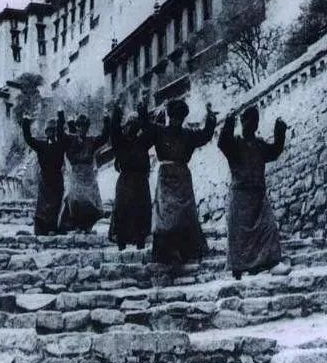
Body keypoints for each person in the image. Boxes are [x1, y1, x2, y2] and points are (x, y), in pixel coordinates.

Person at [141, 99, 217, 265]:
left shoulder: (188, 134)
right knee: (165, 215)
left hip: (182, 177)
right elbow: (146, 127)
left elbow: (205, 136)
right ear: (170, 117)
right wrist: (142, 111)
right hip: (166, 178)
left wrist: (211, 119)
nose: (177, 122)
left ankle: (186, 251)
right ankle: (166, 253)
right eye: (175, 118)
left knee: (184, 213)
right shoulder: (159, 131)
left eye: (180, 119)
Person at [218, 106, 287, 280]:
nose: (252, 125)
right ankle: (238, 270)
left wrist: (280, 131)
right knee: (239, 235)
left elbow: (275, 151)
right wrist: (229, 122)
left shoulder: (259, 145)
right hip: (240, 196)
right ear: (242, 122)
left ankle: (272, 263)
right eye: (248, 121)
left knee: (269, 227)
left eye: (255, 122)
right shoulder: (235, 144)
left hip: (258, 195)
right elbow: (222, 143)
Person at [109, 103, 154, 250]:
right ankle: (122, 243)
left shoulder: (142, 141)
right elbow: (114, 131)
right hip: (127, 180)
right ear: (126, 126)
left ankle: (140, 242)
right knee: (123, 211)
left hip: (139, 180)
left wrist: (143, 113)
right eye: (130, 124)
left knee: (141, 211)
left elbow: (149, 130)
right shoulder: (121, 142)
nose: (132, 127)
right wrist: (117, 113)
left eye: (136, 124)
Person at [58, 110, 110, 232]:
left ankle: (87, 226)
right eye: (79, 126)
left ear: (87, 128)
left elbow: (104, 138)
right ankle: (72, 224)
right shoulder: (70, 139)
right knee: (73, 197)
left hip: (88, 176)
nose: (81, 129)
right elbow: (60, 134)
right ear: (76, 127)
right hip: (76, 175)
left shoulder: (91, 140)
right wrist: (61, 116)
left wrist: (106, 120)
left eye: (84, 126)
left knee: (90, 200)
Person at [22, 116, 66, 235]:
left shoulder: (61, 145)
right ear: (46, 132)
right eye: (49, 130)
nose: (51, 133)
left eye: (53, 130)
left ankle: (53, 229)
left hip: (57, 179)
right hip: (45, 179)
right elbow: (29, 139)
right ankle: (40, 230)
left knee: (56, 204)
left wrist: (60, 116)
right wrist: (26, 122)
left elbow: (63, 133)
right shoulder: (41, 145)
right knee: (42, 206)